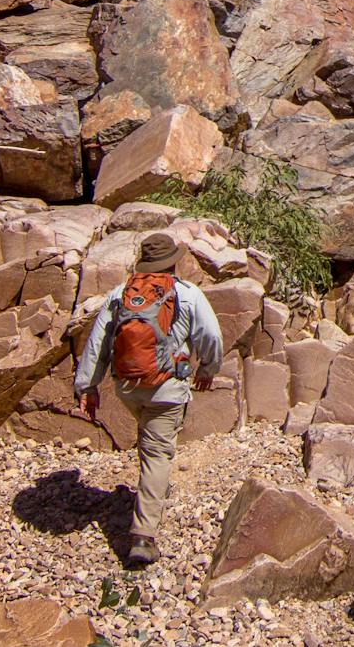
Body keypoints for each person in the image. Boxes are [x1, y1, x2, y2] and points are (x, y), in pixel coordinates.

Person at [74, 232, 223, 568]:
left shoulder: (120, 294)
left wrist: (87, 385)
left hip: (127, 387)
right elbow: (211, 335)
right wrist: (208, 367)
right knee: (158, 453)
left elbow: (99, 341)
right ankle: (143, 536)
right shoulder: (186, 294)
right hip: (167, 388)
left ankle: (151, 491)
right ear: (173, 262)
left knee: (150, 437)